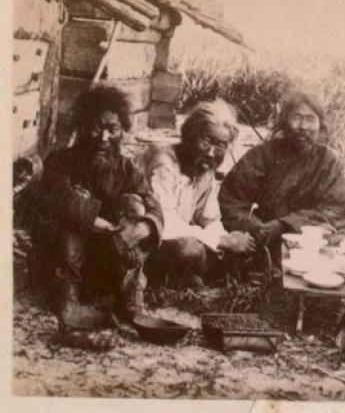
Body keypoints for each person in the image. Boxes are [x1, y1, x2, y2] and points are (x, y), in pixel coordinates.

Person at [32, 86, 163, 331]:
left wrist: (144, 227)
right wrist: (98, 222)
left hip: (103, 261)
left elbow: (154, 206)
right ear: (82, 129)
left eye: (112, 129)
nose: (103, 138)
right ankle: (68, 300)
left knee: (135, 204)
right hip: (61, 260)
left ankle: (131, 299)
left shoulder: (128, 170)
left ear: (121, 131)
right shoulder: (60, 161)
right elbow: (59, 198)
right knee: (75, 211)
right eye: (95, 128)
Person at [136, 100, 256, 290]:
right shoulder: (163, 160)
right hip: (143, 245)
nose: (211, 152)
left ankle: (193, 280)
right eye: (206, 140)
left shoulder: (204, 168)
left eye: (221, 145)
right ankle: (172, 286)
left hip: (171, 243)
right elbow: (163, 223)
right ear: (189, 135)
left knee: (239, 251)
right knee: (190, 249)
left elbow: (209, 218)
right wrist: (223, 241)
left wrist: (230, 241)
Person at [218, 91, 345, 260]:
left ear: (320, 125)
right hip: (262, 233)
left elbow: (334, 211)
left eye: (310, 119)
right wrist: (253, 226)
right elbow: (231, 197)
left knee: (332, 236)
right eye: (296, 118)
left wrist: (283, 225)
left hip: (307, 235)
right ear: (284, 122)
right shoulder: (263, 154)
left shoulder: (330, 161)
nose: (303, 126)